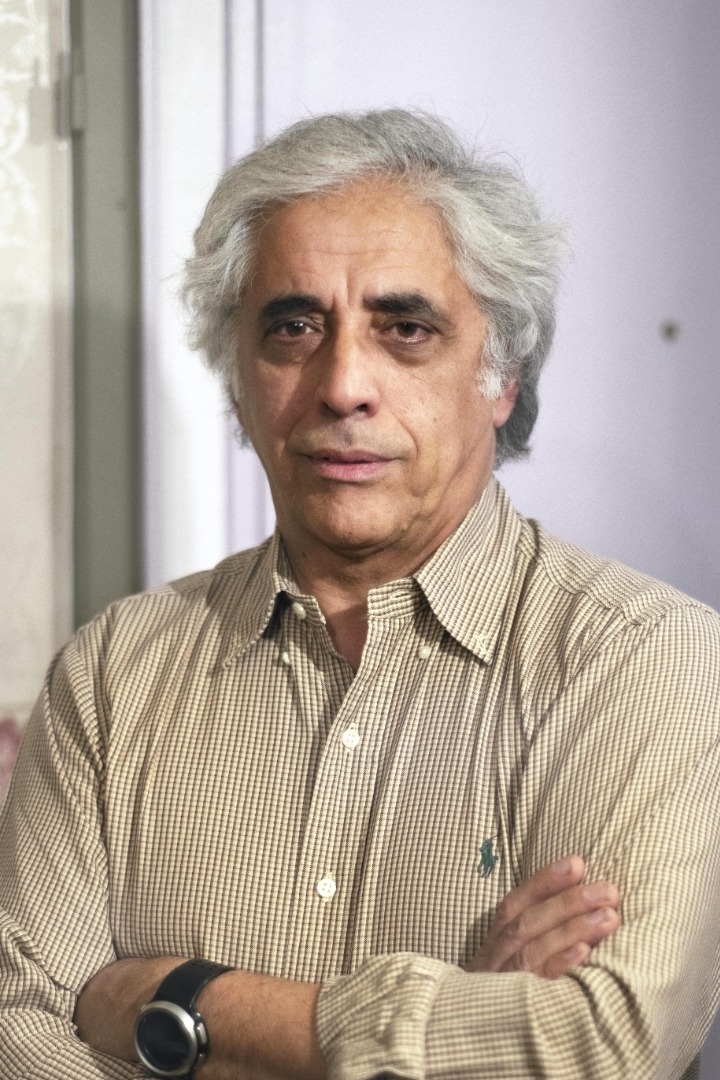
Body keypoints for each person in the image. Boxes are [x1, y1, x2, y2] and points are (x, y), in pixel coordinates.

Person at [1, 109, 718, 1080]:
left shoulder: (650, 663)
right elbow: (16, 1027)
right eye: (294, 327)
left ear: (500, 377)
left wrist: (184, 1004)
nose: (343, 385)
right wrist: (454, 1027)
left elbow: (602, 1047)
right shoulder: (112, 674)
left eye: (405, 329)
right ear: (238, 376)